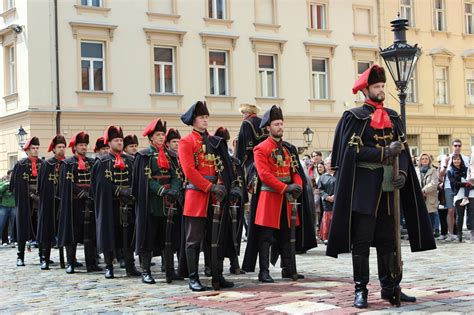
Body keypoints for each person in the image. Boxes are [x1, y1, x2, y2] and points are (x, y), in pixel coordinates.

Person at [327, 64, 436, 308]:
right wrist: (384, 151)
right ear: (366, 90)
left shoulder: (393, 117)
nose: (381, 90)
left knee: (388, 240)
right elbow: (350, 152)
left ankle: (390, 287)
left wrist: (404, 175)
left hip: (389, 192)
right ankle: (361, 290)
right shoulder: (354, 118)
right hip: (364, 191)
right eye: (377, 86)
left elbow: (405, 152)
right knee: (362, 241)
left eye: (383, 86)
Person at [242, 105, 317, 283]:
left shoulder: (288, 149)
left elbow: (296, 172)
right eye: (276, 124)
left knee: (287, 234)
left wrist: (297, 185)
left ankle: (288, 269)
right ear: (268, 127)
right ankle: (264, 271)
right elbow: (265, 175)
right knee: (266, 237)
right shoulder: (260, 148)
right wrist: (285, 188)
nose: (280, 127)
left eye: (281, 123)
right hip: (269, 198)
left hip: (288, 199)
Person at [177, 101, 235, 291]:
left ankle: (217, 275)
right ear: (193, 120)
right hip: (197, 194)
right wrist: (209, 187)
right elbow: (189, 171)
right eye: (202, 117)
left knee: (216, 237)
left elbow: (220, 166)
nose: (205, 121)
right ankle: (193, 277)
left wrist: (220, 185)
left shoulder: (214, 142)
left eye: (206, 117)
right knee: (193, 239)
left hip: (215, 195)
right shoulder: (186, 142)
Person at [133, 119, 183, 284]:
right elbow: (145, 179)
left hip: (170, 202)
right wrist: (161, 190)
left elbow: (176, 175)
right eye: (158, 135)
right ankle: (145, 271)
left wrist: (174, 190)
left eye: (163, 134)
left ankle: (170, 269)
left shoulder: (171, 155)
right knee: (149, 236)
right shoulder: (144, 156)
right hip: (152, 203)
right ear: (151, 138)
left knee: (167, 237)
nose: (161, 137)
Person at [92, 126, 141, 279]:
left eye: (121, 140)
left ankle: (130, 265)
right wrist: (119, 191)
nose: (119, 143)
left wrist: (131, 191)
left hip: (128, 205)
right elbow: (101, 185)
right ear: (110, 142)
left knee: (127, 236)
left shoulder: (130, 160)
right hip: (110, 206)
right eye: (116, 140)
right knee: (109, 234)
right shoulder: (102, 161)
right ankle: (109, 266)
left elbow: (137, 180)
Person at [58, 132, 101, 274]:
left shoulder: (92, 162)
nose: (83, 147)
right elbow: (66, 183)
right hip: (74, 204)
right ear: (75, 147)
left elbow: (96, 180)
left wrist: (92, 194)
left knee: (90, 233)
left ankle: (91, 263)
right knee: (73, 233)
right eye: (81, 145)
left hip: (90, 202)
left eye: (85, 145)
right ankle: (71, 262)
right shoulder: (67, 163)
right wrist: (82, 193)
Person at [10, 137, 43, 267]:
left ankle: (43, 256)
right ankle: (20, 256)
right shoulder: (21, 165)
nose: (35, 151)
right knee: (22, 229)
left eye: (37, 148)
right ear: (27, 150)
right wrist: (29, 194)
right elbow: (16, 186)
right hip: (25, 202)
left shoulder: (43, 164)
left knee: (41, 228)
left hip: (39, 202)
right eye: (33, 148)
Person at [37, 134, 67, 270]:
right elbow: (41, 185)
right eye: (59, 147)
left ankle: (68, 259)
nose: (62, 149)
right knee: (47, 230)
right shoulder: (46, 164)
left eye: (63, 147)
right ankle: (45, 258)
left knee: (64, 229)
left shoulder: (67, 163)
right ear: (54, 149)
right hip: (48, 201)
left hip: (63, 202)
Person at [438, 140, 470, 241]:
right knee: (451, 210)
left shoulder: (466, 158)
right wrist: (445, 164)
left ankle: (459, 233)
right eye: (455, 145)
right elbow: (440, 175)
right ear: (452, 146)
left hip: (462, 187)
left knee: (460, 211)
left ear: (461, 147)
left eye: (459, 145)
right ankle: (451, 233)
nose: (457, 147)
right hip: (448, 186)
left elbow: (469, 173)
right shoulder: (446, 157)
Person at [415, 153, 440, 237]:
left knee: (431, 214)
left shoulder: (433, 170)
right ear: (420, 161)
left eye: (426, 158)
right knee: (420, 214)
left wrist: (424, 190)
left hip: (430, 195)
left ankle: (433, 230)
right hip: (419, 196)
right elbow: (414, 183)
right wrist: (419, 192)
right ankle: (422, 232)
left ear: (429, 160)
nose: (424, 160)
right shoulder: (416, 170)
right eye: (423, 159)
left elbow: (434, 183)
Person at [447, 154, 470, 242]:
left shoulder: (466, 169)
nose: (456, 161)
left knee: (470, 214)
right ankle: (459, 235)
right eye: (455, 159)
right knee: (460, 216)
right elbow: (454, 183)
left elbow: (471, 180)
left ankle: (470, 232)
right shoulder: (450, 171)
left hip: (469, 194)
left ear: (461, 160)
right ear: (452, 161)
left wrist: (467, 184)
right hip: (457, 195)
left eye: (458, 159)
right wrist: (466, 184)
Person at [318, 157, 335, 244]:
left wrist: (336, 196)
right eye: (327, 163)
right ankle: (326, 237)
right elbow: (320, 190)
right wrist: (327, 197)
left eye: (331, 163)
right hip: (327, 203)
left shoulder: (339, 175)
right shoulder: (322, 177)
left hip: (338, 202)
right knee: (327, 220)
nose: (329, 165)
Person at [0, 171, 16, 246]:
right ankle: (3, 240)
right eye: (11, 175)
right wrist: (6, 185)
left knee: (14, 224)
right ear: (8, 176)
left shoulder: (17, 183)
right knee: (1, 224)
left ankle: (13, 240)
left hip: (14, 206)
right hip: (4, 206)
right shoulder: (4, 183)